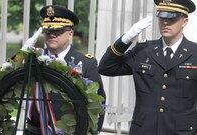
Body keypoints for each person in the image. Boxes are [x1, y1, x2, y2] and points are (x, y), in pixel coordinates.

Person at [98, 0, 197, 135]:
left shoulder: (194, 53)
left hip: (181, 132)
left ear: (184, 22)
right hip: (144, 130)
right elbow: (106, 67)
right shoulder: (144, 50)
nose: (165, 23)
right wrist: (127, 38)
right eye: (162, 18)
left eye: (171, 19)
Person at [24, 5, 106, 135]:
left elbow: (98, 105)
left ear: (70, 34)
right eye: (48, 31)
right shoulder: (34, 59)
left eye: (58, 31)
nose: (51, 35)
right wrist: (22, 54)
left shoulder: (86, 63)